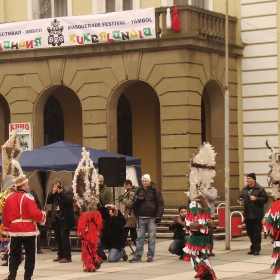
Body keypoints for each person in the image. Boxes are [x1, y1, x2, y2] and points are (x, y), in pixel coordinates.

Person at [3, 174, 46, 280]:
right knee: (30, 255)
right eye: (27, 185)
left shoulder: (9, 198)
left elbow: (6, 215)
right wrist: (43, 215)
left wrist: (7, 229)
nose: (28, 187)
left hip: (14, 230)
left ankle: (12, 276)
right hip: (28, 230)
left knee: (13, 254)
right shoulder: (28, 197)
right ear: (22, 186)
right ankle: (27, 277)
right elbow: (35, 214)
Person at [129, 174, 164, 263]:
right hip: (141, 217)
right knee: (139, 237)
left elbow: (160, 204)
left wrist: (159, 216)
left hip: (152, 217)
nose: (144, 183)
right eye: (143, 181)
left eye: (146, 181)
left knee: (151, 238)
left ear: (149, 181)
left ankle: (150, 256)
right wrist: (137, 201)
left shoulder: (155, 190)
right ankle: (137, 255)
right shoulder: (139, 190)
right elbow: (133, 203)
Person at [238, 173, 268, 256]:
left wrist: (256, 199)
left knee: (256, 232)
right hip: (247, 213)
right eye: (247, 178)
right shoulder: (244, 189)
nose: (247, 180)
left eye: (249, 178)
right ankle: (253, 246)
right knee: (249, 232)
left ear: (254, 179)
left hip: (256, 214)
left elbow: (265, 199)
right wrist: (240, 200)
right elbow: (241, 197)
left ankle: (256, 248)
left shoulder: (260, 189)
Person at [47, 178, 74, 263]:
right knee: (58, 237)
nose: (56, 187)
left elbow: (69, 201)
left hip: (65, 218)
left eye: (58, 186)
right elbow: (47, 201)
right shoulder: (53, 194)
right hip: (56, 218)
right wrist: (52, 193)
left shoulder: (67, 192)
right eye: (55, 186)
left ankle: (67, 256)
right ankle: (60, 254)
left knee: (64, 237)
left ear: (61, 185)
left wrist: (61, 193)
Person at [119, 179, 137, 247]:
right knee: (133, 233)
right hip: (131, 216)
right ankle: (138, 249)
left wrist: (123, 200)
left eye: (125, 186)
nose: (124, 187)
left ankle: (121, 248)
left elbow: (130, 204)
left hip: (130, 216)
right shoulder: (129, 192)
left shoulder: (131, 193)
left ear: (129, 185)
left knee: (125, 233)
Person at [30, 188, 44, 254]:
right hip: (26, 217)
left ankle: (38, 248)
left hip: (33, 217)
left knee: (36, 232)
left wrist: (39, 212)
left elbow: (38, 203)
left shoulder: (32, 191)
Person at [205, 185, 217, 256]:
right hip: (200, 214)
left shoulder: (213, 190)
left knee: (209, 233)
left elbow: (213, 197)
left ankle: (210, 249)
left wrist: (205, 191)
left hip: (210, 215)